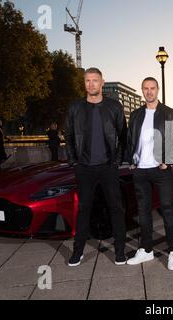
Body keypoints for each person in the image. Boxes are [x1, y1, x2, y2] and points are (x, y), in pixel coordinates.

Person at [65, 67, 127, 267]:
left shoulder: (114, 107)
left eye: (95, 80)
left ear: (102, 82)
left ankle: (119, 252)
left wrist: (116, 161)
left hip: (108, 166)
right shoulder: (75, 108)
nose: (91, 84)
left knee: (116, 208)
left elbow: (123, 136)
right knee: (84, 209)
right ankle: (78, 252)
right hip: (84, 167)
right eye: (87, 81)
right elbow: (68, 137)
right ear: (84, 83)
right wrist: (74, 161)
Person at [126, 77, 173, 271]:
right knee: (143, 212)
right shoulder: (135, 115)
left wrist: (168, 160)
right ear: (142, 90)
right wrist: (130, 160)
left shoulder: (170, 113)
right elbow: (130, 140)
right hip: (140, 169)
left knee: (167, 209)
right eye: (145, 88)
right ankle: (146, 249)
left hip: (161, 169)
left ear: (157, 90)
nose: (149, 91)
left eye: (152, 88)